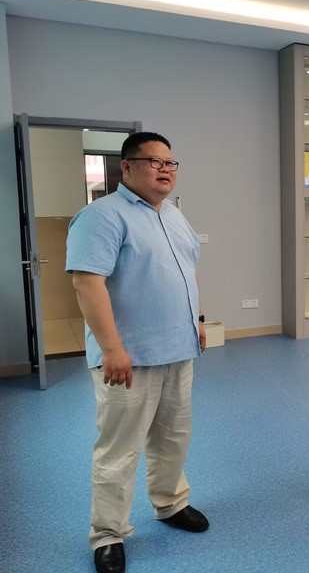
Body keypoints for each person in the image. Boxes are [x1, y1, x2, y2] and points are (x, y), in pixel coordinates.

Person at [66, 132, 209, 573]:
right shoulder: (101, 216)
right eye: (154, 162)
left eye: (170, 162)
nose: (165, 169)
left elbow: (186, 273)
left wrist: (198, 321)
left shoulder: (174, 215)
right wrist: (112, 348)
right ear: (126, 167)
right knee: (120, 449)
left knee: (173, 437)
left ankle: (170, 503)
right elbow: (87, 283)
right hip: (128, 358)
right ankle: (108, 534)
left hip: (177, 349)